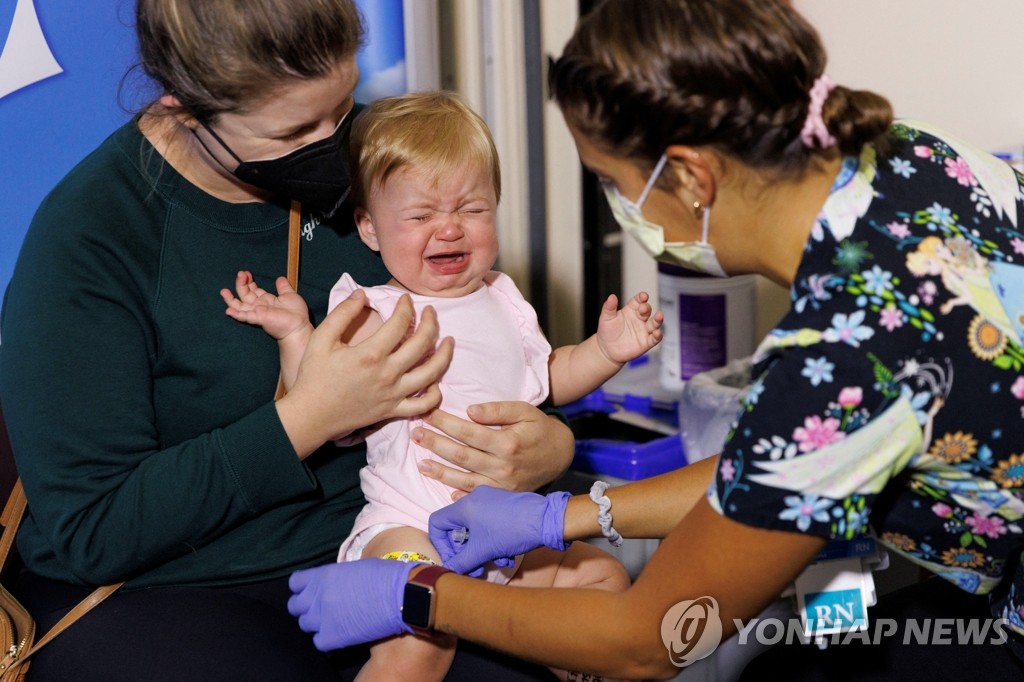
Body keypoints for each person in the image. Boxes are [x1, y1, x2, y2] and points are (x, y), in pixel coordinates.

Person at [283, 1, 1024, 679]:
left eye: (610, 179)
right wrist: (565, 515)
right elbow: (773, 471)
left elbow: (656, 639)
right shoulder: (917, 158)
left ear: (694, 177)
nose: (615, 205)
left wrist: (420, 599)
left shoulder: (837, 364)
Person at [0, 1, 578, 680]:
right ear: (185, 108)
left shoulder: (385, 160)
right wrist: (308, 418)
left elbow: (487, 344)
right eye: (297, 129)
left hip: (400, 538)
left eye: (343, 105)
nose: (339, 146)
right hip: (175, 586)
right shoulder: (91, 237)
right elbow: (92, 532)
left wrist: (548, 442)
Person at [222, 91, 660, 681]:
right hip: (407, 528)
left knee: (604, 578)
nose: (449, 229)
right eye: (421, 216)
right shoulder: (371, 309)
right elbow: (319, 404)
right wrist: (297, 334)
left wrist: (606, 350)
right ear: (371, 229)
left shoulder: (505, 300)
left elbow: (549, 379)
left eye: (472, 210)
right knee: (422, 636)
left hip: (508, 531)